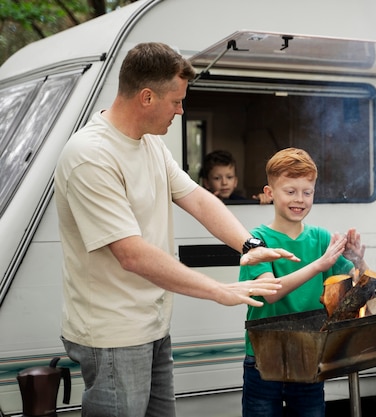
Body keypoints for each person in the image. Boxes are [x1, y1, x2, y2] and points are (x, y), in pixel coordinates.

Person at [54, 42, 300, 417]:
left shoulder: (151, 144)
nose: (181, 110)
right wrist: (217, 290)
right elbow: (131, 254)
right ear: (147, 97)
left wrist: (247, 244)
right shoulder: (91, 155)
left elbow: (197, 198)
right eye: (176, 101)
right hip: (113, 333)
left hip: (152, 326)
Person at [239, 147, 368, 417]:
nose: (300, 200)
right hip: (264, 358)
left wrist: (358, 262)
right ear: (269, 193)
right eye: (290, 191)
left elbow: (358, 290)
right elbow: (270, 292)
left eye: (307, 192)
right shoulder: (256, 239)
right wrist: (320, 265)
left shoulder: (320, 238)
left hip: (309, 354)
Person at [200, 149, 273, 204]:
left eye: (229, 177)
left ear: (235, 181)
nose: (224, 183)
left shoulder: (240, 202)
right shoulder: (201, 203)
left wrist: (260, 199)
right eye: (217, 178)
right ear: (206, 183)